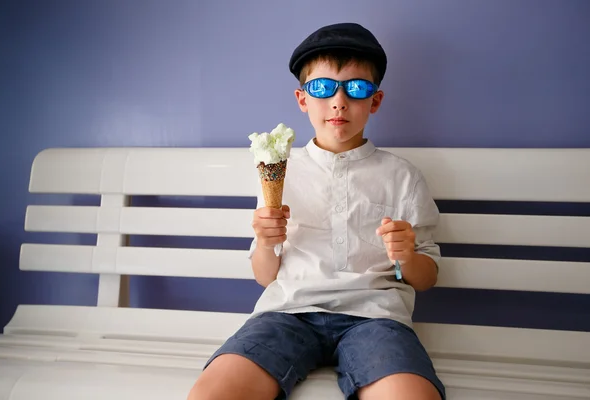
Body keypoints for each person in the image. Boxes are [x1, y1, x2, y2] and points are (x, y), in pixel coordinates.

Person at [188, 22, 445, 400]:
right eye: (322, 88)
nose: (338, 101)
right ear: (302, 99)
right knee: (213, 393)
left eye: (356, 88)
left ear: (375, 101)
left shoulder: (402, 176)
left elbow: (426, 277)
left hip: (375, 318)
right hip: (286, 313)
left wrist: (406, 256)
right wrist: (264, 242)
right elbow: (264, 277)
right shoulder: (278, 172)